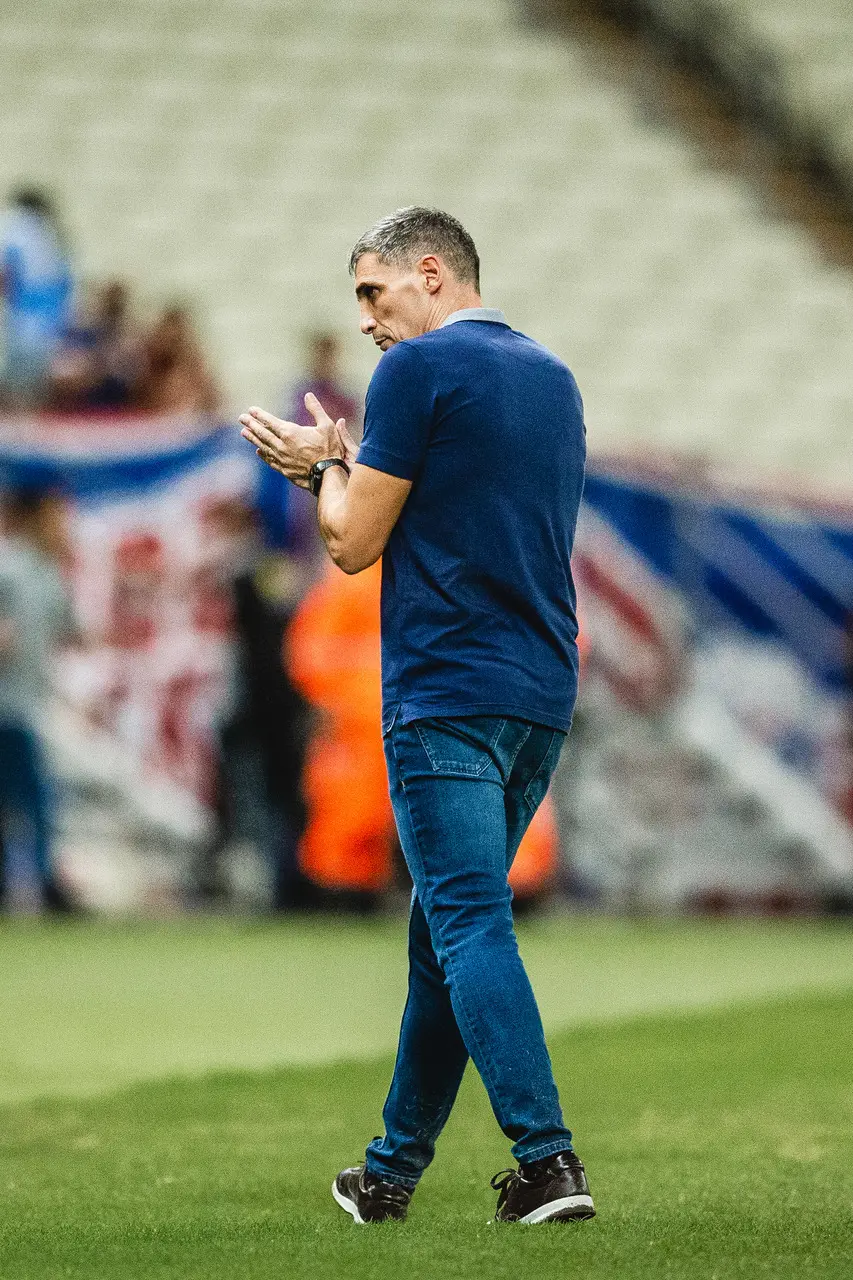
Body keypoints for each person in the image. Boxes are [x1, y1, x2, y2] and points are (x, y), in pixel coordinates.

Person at [239, 206, 592, 1225]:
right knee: (443, 931)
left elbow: (351, 543)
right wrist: (354, 464)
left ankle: (547, 1161)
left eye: (371, 290)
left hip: (446, 687)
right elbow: (473, 509)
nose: (365, 319)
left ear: (429, 273)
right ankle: (388, 1173)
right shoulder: (553, 377)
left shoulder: (415, 370)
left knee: (467, 919)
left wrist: (323, 467)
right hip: (539, 690)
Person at [0, 484, 79, 911]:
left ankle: (42, 882)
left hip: (29, 706)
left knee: (31, 796)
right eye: (56, 517)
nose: (64, 527)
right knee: (32, 797)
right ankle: (45, 883)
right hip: (8, 706)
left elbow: (70, 632)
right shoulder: (8, 568)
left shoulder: (49, 574)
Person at [0, 187, 74, 409]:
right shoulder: (54, 235)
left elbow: (6, 275)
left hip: (23, 323)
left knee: (16, 396)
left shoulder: (15, 227)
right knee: (37, 397)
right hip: (53, 327)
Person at [137, 305, 220, 416]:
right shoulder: (151, 367)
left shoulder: (194, 367)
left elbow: (212, 403)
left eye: (177, 335)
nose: (171, 338)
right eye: (167, 333)